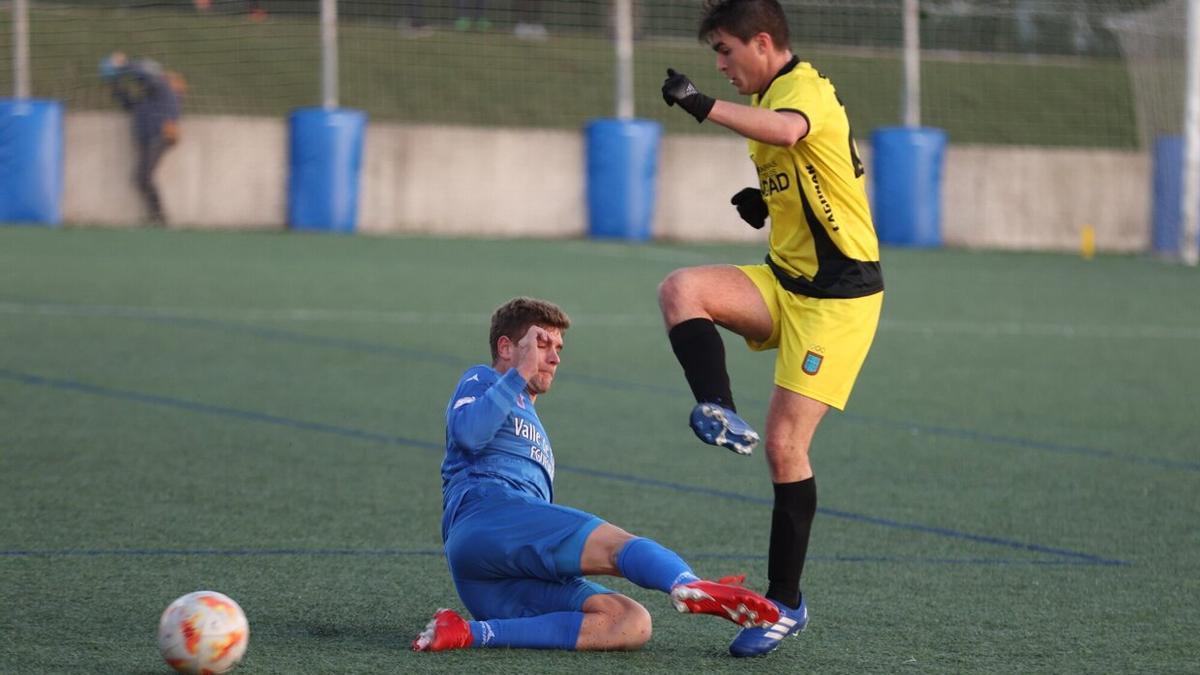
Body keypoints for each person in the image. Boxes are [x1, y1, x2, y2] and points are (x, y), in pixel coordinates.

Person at [659, 0, 884, 658]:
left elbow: (791, 132)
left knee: (786, 446)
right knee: (682, 288)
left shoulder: (803, 89)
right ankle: (717, 409)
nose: (721, 65)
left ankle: (785, 603)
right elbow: (831, 170)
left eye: (726, 51)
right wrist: (769, 203)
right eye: (714, 57)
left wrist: (699, 103)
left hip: (839, 302)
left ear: (763, 42)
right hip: (786, 279)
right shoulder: (771, 100)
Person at [412, 297, 781, 653]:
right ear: (507, 347)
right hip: (488, 519)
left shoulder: (530, 418)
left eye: (559, 347)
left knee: (629, 621)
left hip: (492, 579)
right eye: (542, 344)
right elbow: (469, 434)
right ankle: (685, 581)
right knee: (616, 546)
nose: (555, 357)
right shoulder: (483, 378)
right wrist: (520, 372)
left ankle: (467, 632)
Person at [101, 52, 185, 226]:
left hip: (161, 135)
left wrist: (123, 65)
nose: (141, 83)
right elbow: (126, 102)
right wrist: (114, 82)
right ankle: (157, 217)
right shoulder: (146, 99)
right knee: (142, 178)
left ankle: (160, 218)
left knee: (144, 177)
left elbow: (145, 74)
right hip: (149, 138)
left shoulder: (162, 86)